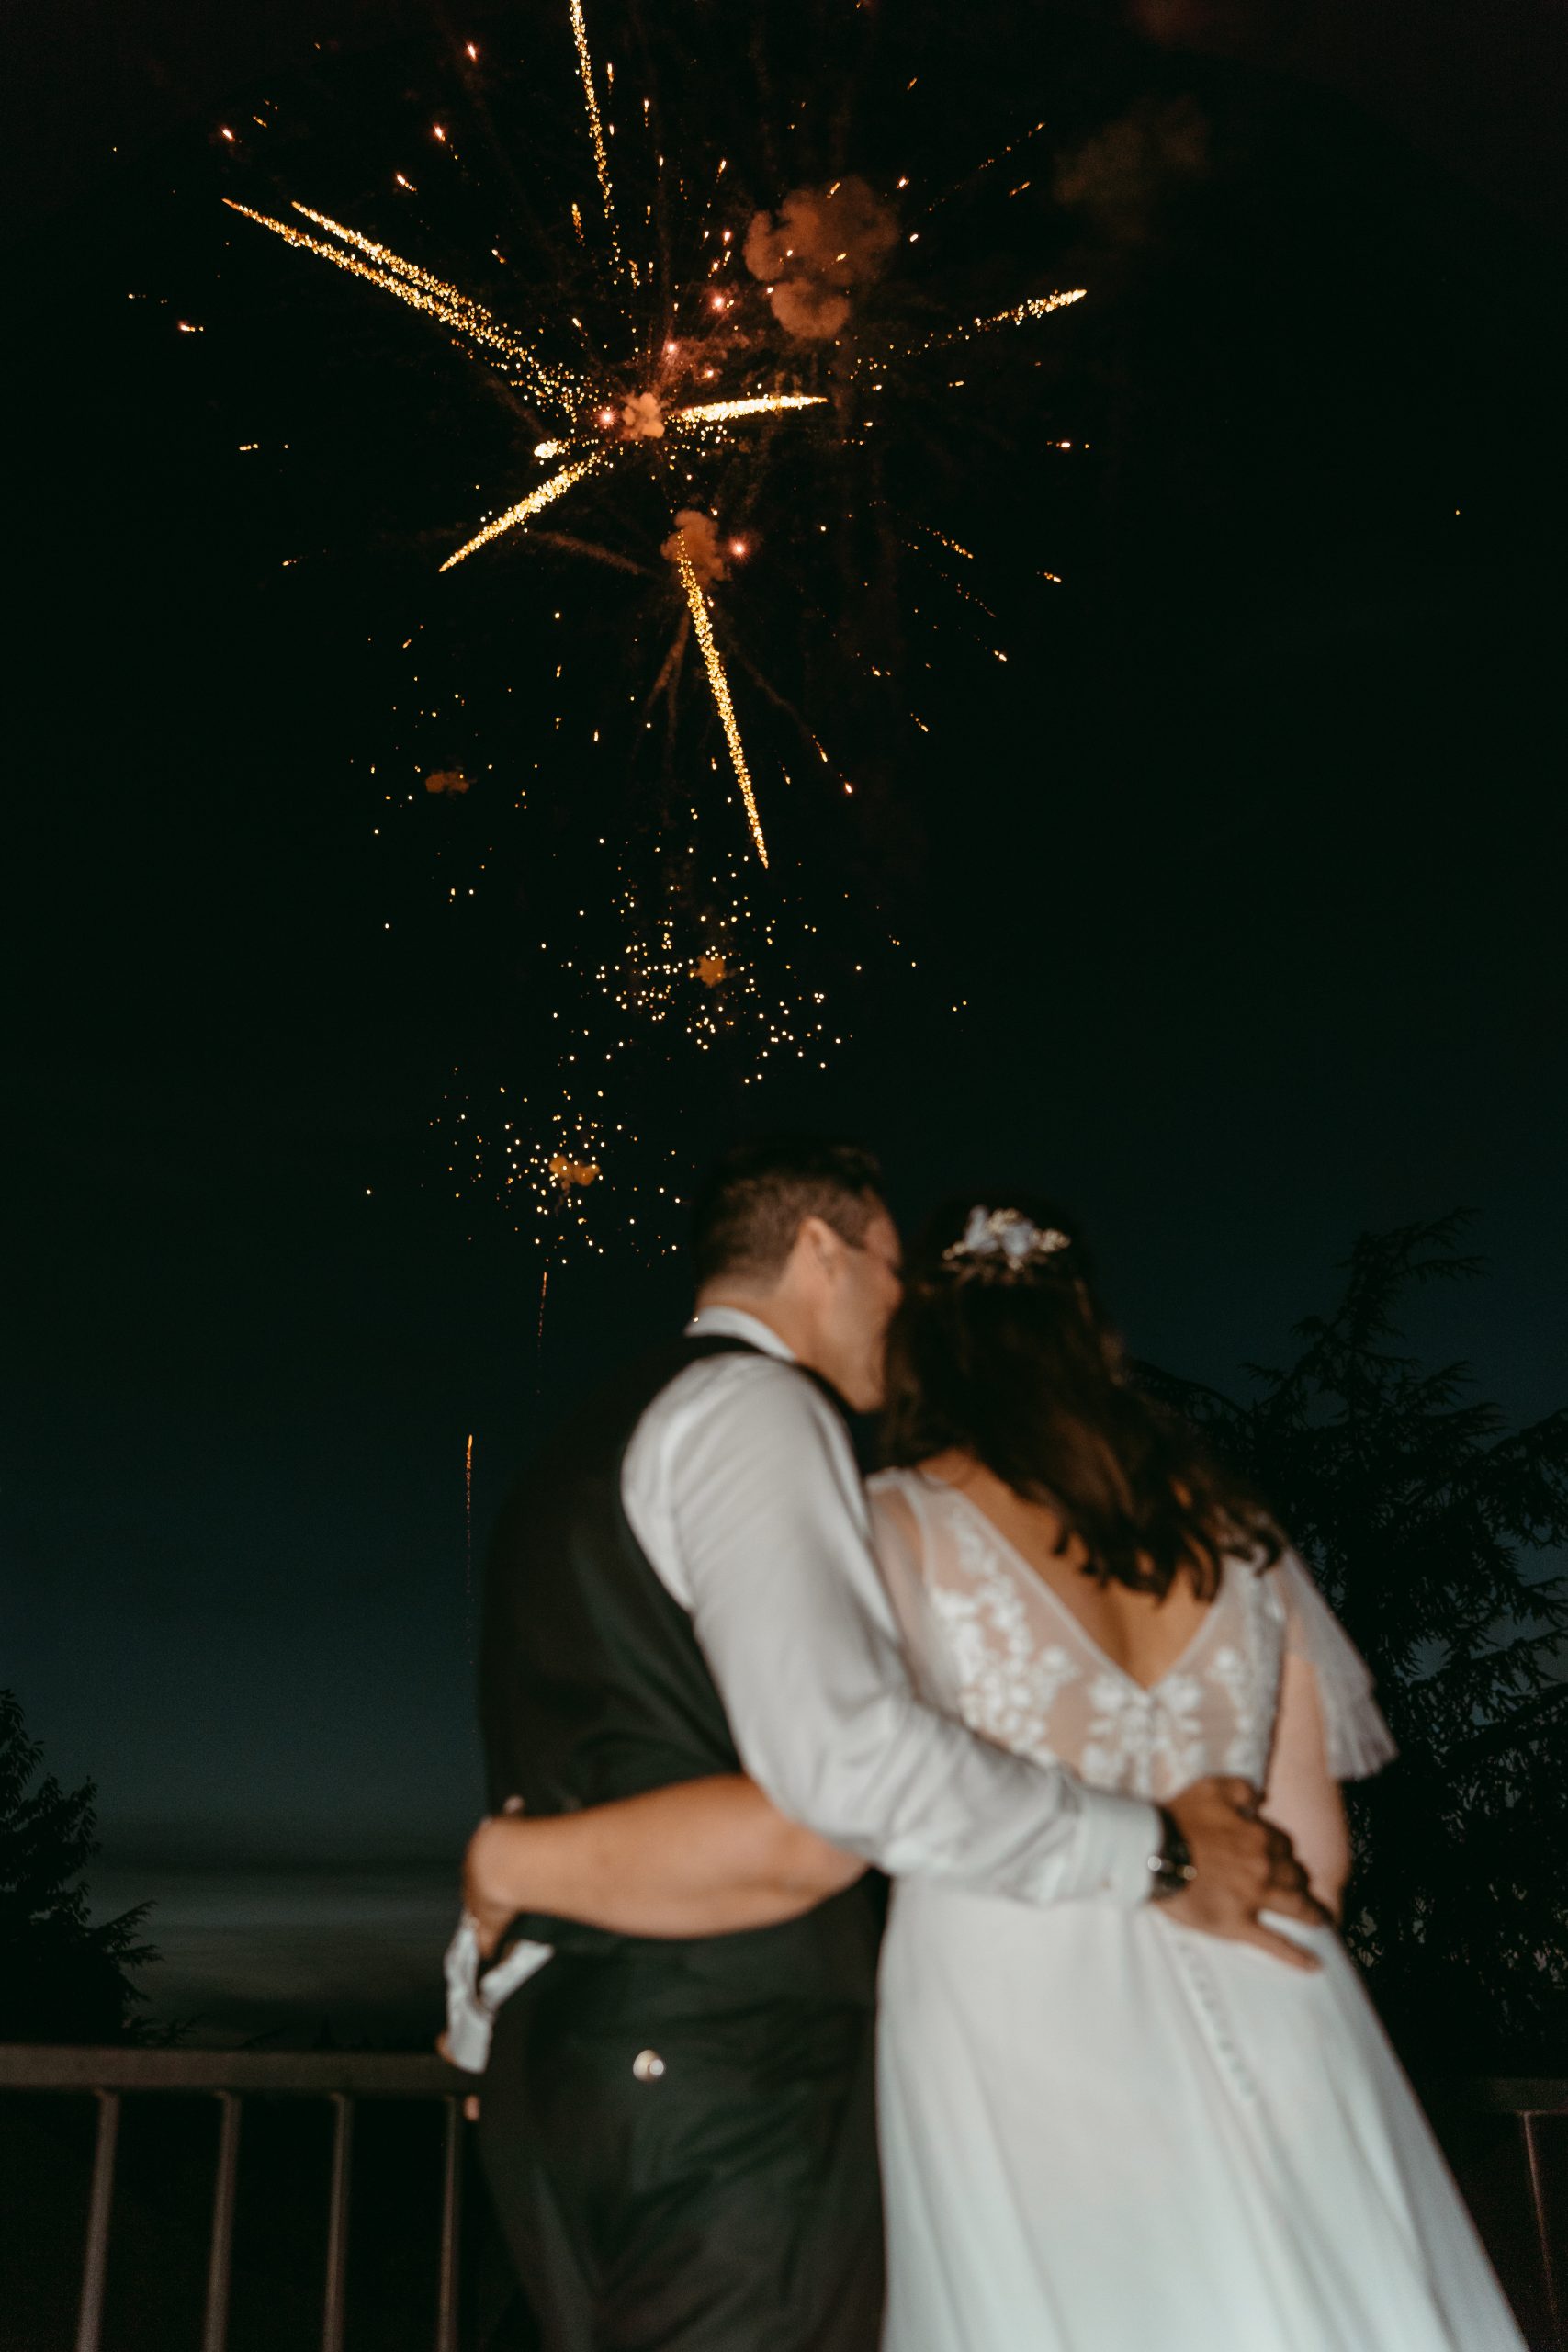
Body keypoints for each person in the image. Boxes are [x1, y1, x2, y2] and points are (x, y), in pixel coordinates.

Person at [462, 1192, 1528, 2352]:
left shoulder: (899, 1524)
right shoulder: (1239, 1540)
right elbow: (1314, 1854)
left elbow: (829, 1783)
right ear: (1098, 1344)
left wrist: (524, 1859)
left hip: (1019, 2013)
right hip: (1276, 1984)